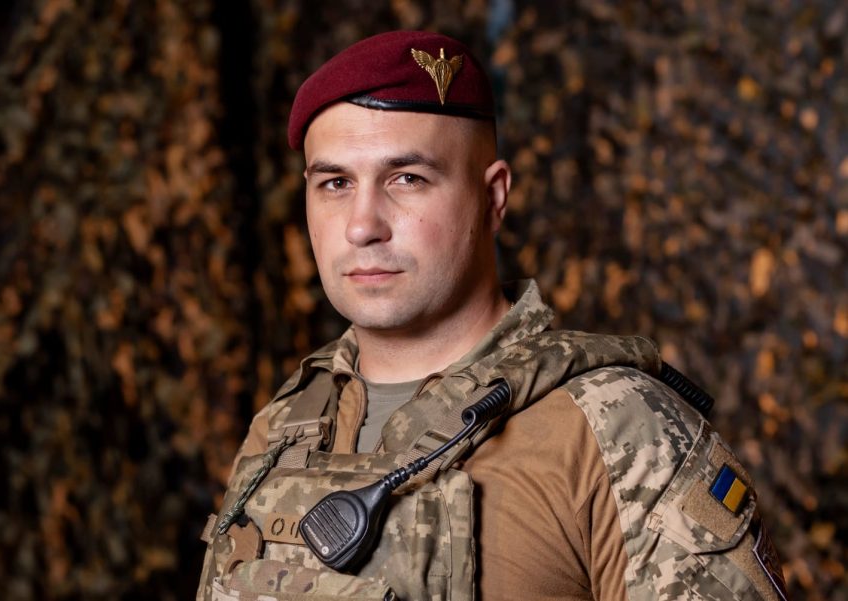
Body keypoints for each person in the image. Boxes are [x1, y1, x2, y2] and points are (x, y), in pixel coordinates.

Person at [196, 31, 788, 601]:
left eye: (407, 178)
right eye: (335, 183)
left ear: (494, 197)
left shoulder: (617, 429)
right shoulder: (283, 427)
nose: (362, 226)